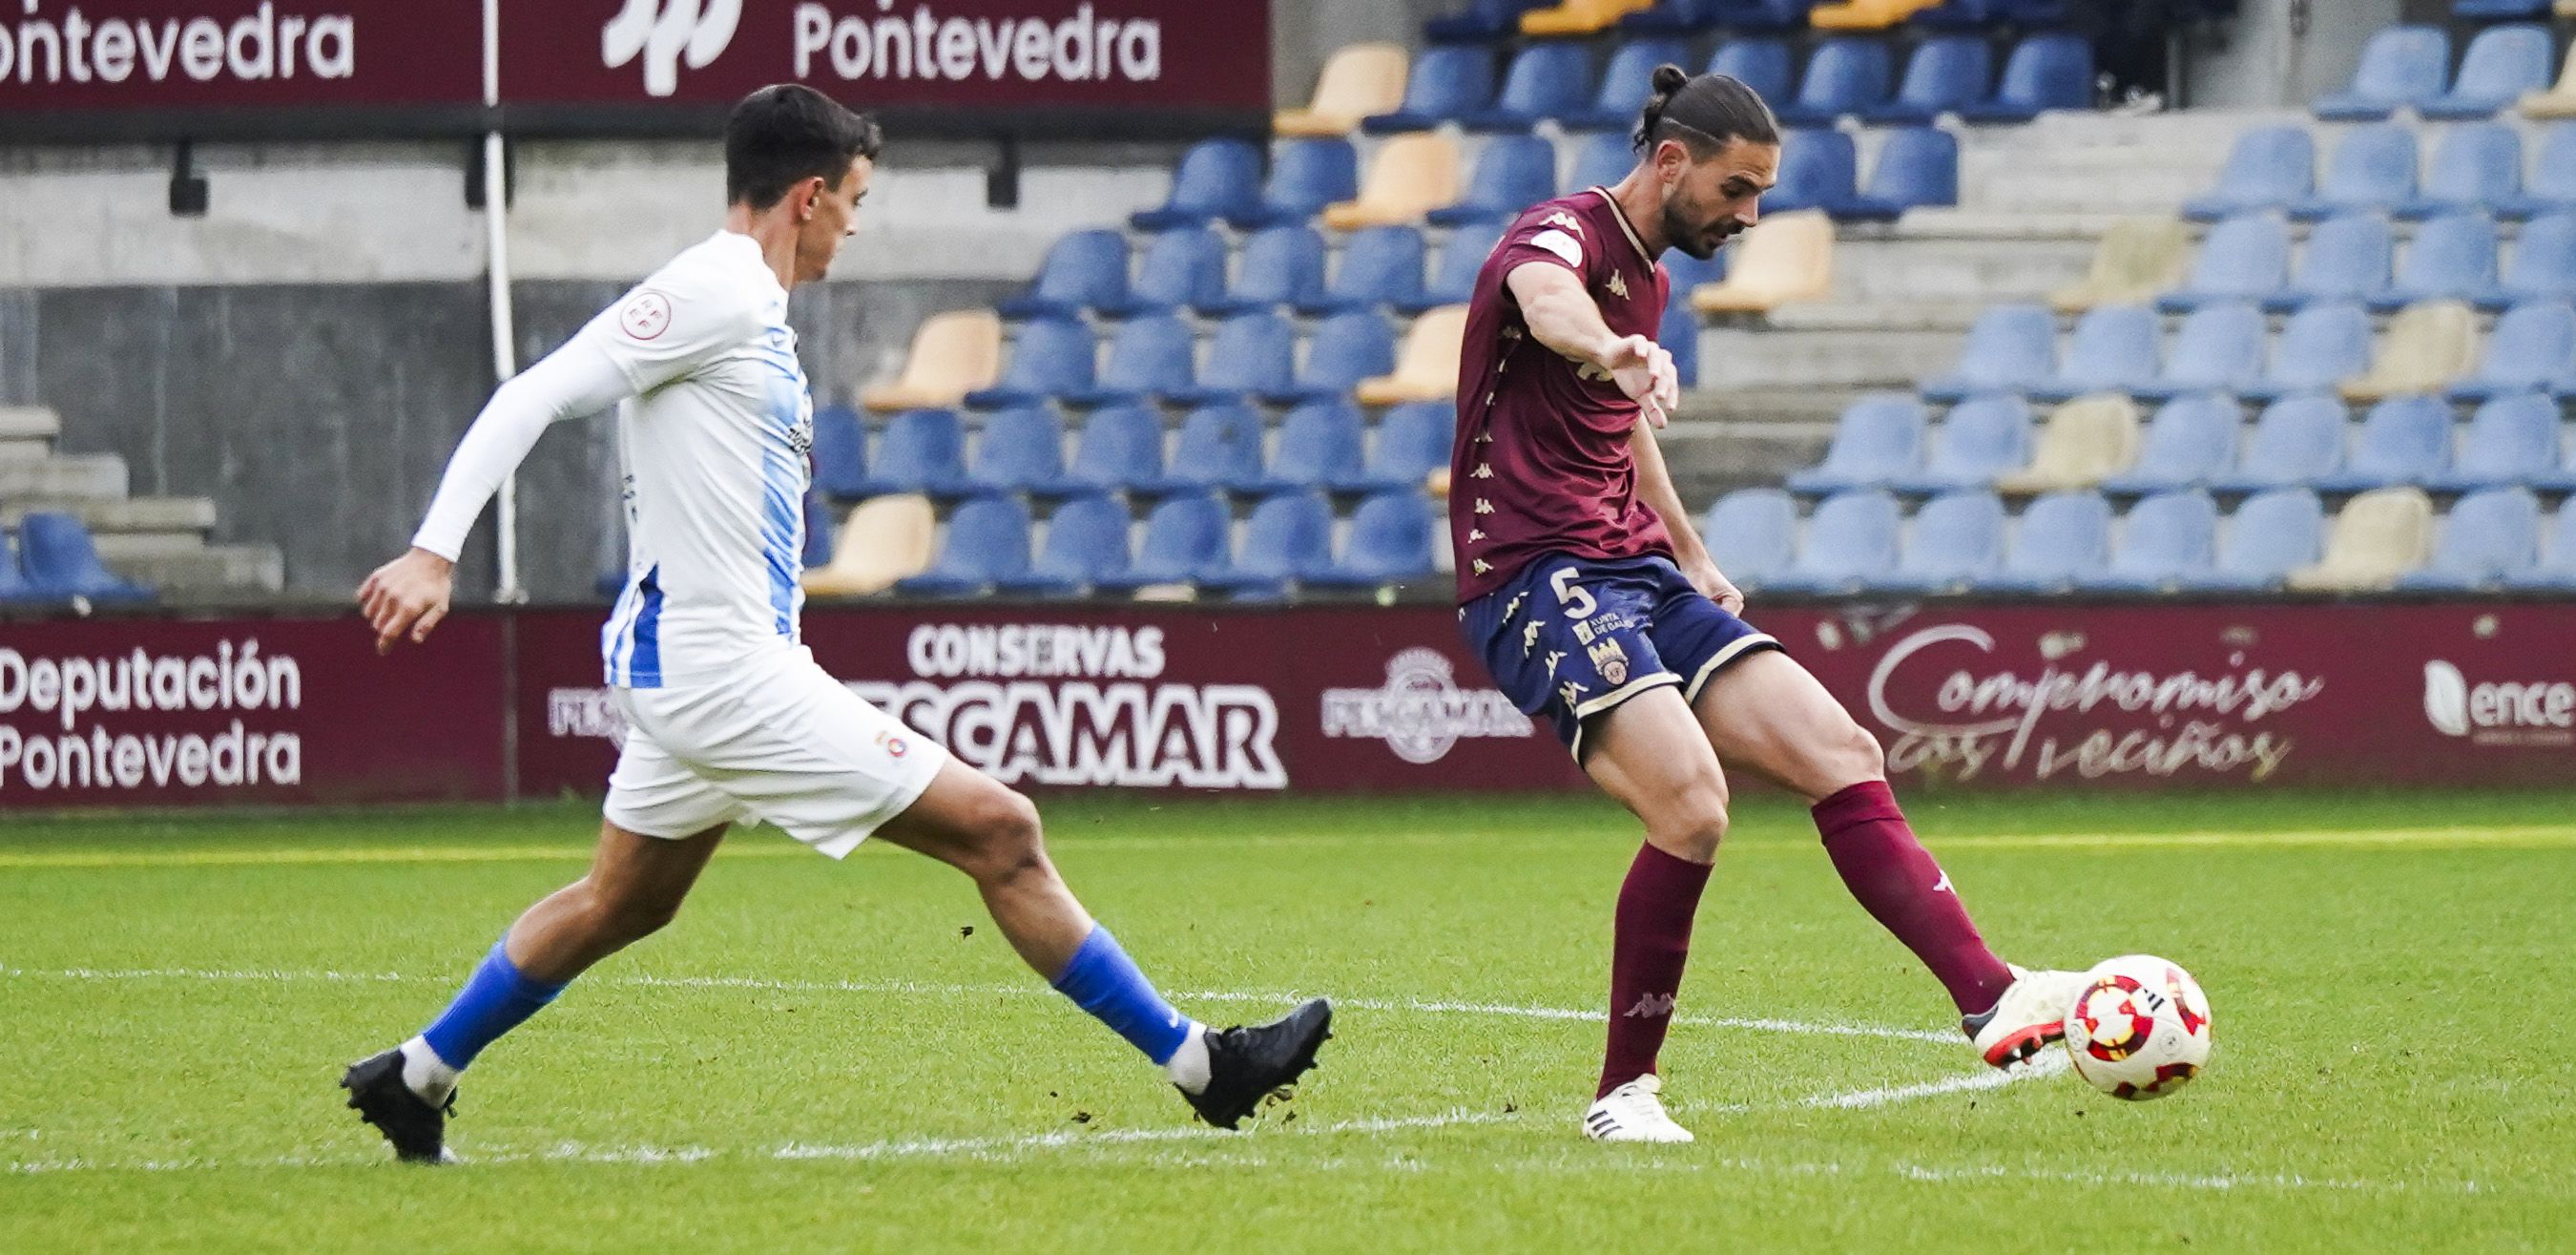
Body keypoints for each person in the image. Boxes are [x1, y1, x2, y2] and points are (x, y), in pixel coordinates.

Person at [342, 84, 1329, 1163]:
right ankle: (1207, 1068)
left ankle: (416, 1075)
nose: (856, 226)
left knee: (620, 903)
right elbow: (532, 392)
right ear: (807, 196)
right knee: (1002, 831)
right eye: (854, 200)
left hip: (705, 666)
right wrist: (435, 550)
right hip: (722, 673)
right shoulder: (713, 289)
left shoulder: (747, 310)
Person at [1449, 66, 2084, 1143]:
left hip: (1633, 565)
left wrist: (1691, 550)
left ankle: (1989, 995)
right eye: (1738, 190)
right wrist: (1610, 345)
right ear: (1670, 162)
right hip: (1534, 573)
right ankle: (1623, 1094)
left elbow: (1622, 414)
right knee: (1692, 808)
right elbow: (1545, 305)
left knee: (1842, 750)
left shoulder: (1648, 277)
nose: (1750, 215)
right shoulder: (1562, 235)